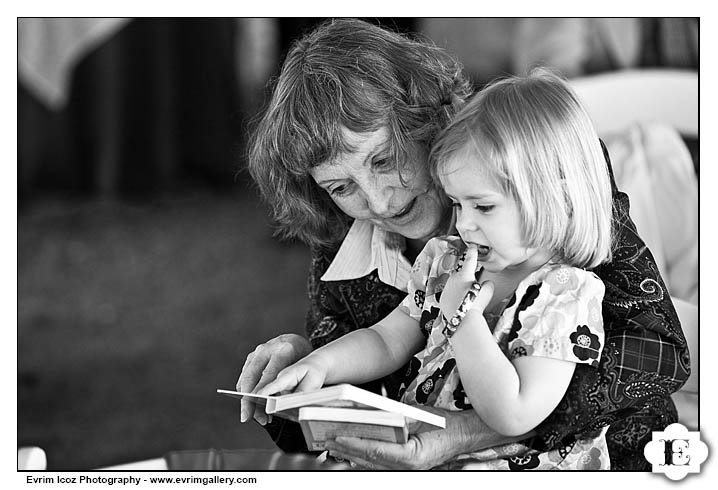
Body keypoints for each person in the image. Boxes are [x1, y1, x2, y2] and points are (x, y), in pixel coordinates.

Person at [237, 18, 689, 470]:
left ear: (423, 119)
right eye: (340, 187)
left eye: (384, 159)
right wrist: (308, 368)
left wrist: (461, 430)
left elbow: (656, 353)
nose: (376, 201)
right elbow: (357, 396)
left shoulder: (537, 172)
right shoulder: (377, 246)